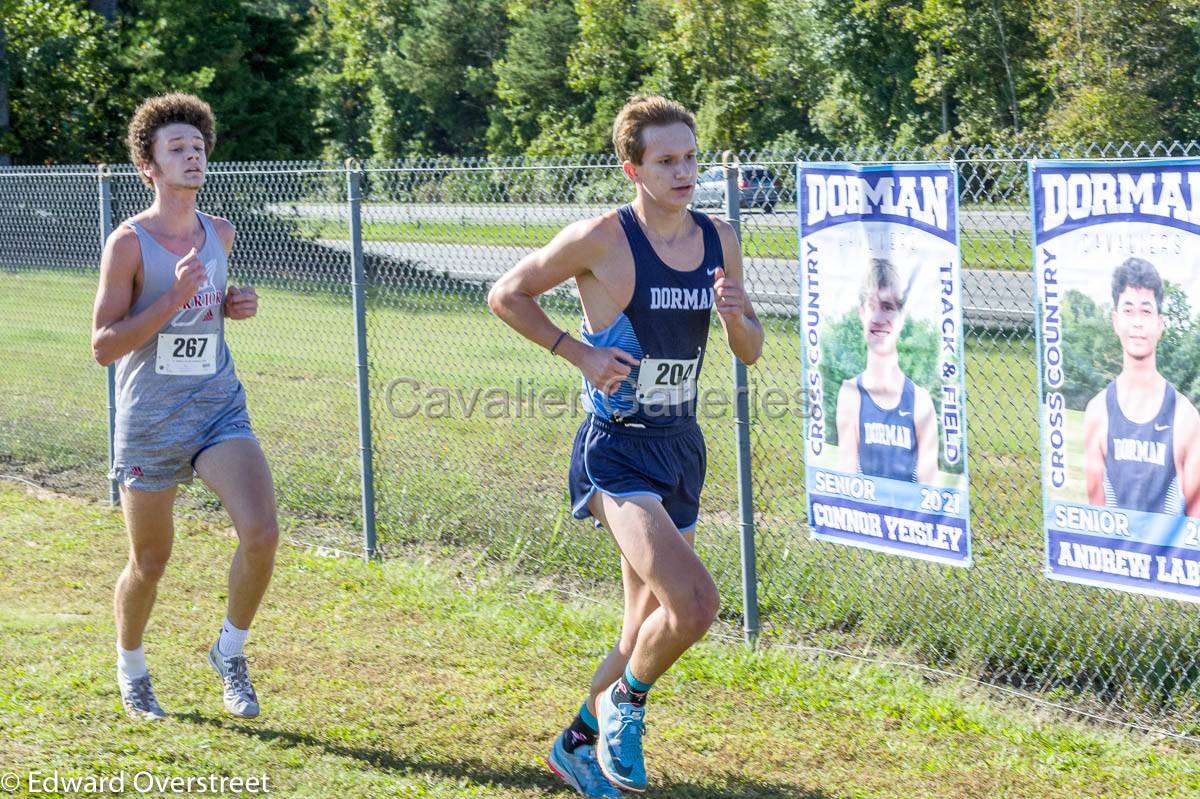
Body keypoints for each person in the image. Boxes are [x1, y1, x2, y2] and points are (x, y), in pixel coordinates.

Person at [488, 95, 763, 796]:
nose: (684, 172)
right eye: (666, 160)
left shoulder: (719, 237)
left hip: (681, 445)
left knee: (642, 623)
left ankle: (575, 744)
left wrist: (735, 320)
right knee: (694, 605)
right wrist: (576, 352)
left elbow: (752, 348)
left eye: (691, 158)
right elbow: (507, 294)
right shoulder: (601, 238)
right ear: (631, 167)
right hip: (616, 449)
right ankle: (625, 708)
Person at [91, 93, 277, 721]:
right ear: (149, 166)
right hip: (148, 419)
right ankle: (132, 666)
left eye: (197, 146)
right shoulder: (128, 244)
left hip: (217, 406)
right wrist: (170, 300)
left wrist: (232, 305)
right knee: (150, 561)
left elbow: (209, 303)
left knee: (262, 533)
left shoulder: (219, 231)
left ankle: (229, 652)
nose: (192, 155)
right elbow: (103, 345)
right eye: (177, 148)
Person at [1083, 257, 1200, 516]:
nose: (1137, 322)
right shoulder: (1097, 412)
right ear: (1115, 321)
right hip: (1114, 555)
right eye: (1128, 310)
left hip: (1169, 556)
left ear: (1160, 323)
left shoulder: (1186, 417)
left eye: (1146, 311)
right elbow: (1096, 520)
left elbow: (1195, 527)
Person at [836, 258, 937, 483]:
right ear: (862, 313)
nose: (879, 318)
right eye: (872, 307)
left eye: (888, 308)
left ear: (901, 317)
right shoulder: (851, 394)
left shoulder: (920, 401)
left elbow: (929, 492)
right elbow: (847, 481)